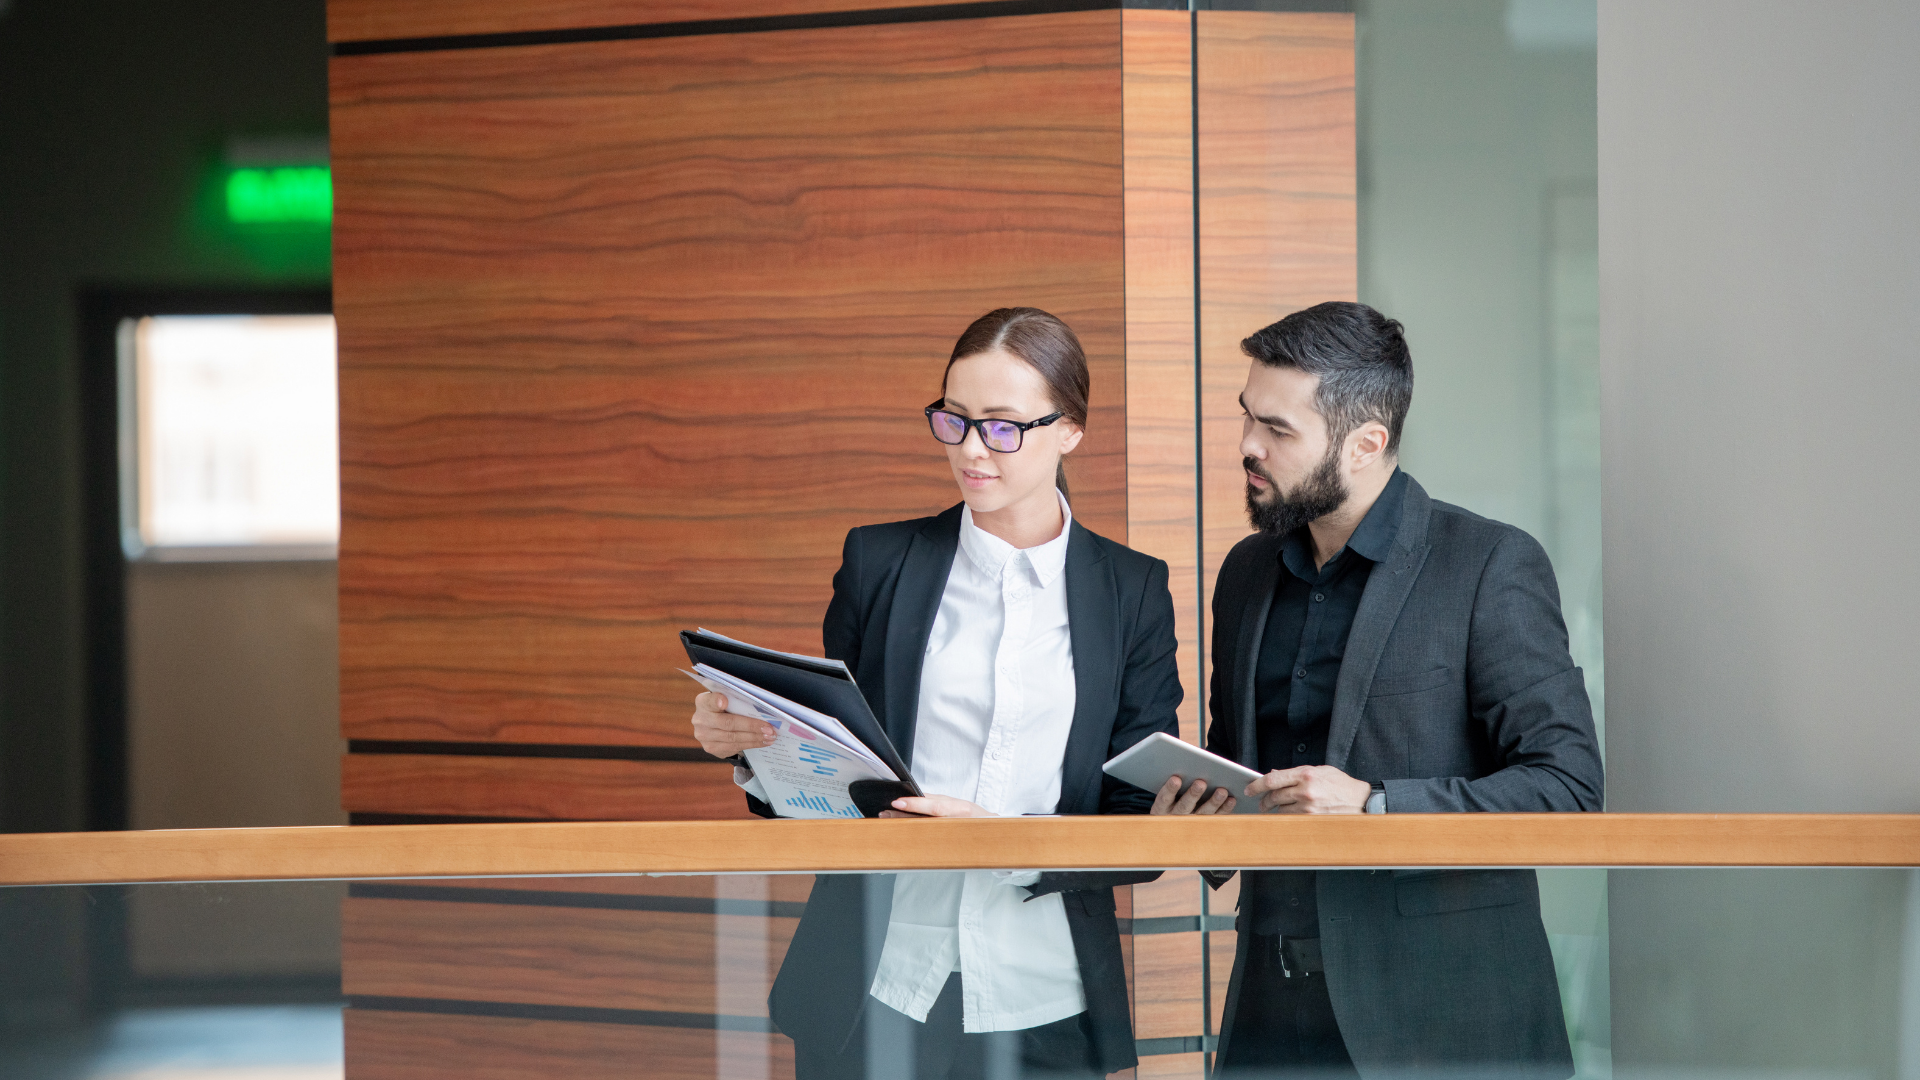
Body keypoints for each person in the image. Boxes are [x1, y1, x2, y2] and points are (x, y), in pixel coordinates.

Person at [688, 307, 1183, 1080]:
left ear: (1071, 430)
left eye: (1002, 427)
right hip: (875, 982)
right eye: (954, 420)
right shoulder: (879, 562)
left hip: (1044, 993)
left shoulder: (1133, 590)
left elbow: (1138, 820)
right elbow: (834, 773)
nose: (971, 449)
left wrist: (1000, 841)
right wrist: (752, 750)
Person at [1152, 301, 1604, 1078]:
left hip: (1444, 1021)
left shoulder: (1488, 564)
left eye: (1277, 429)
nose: (1248, 445)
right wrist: (1198, 817)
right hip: (1269, 1013)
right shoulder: (1247, 573)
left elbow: (1568, 788)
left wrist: (1374, 806)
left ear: (1366, 444)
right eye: (1247, 416)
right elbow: (1242, 775)